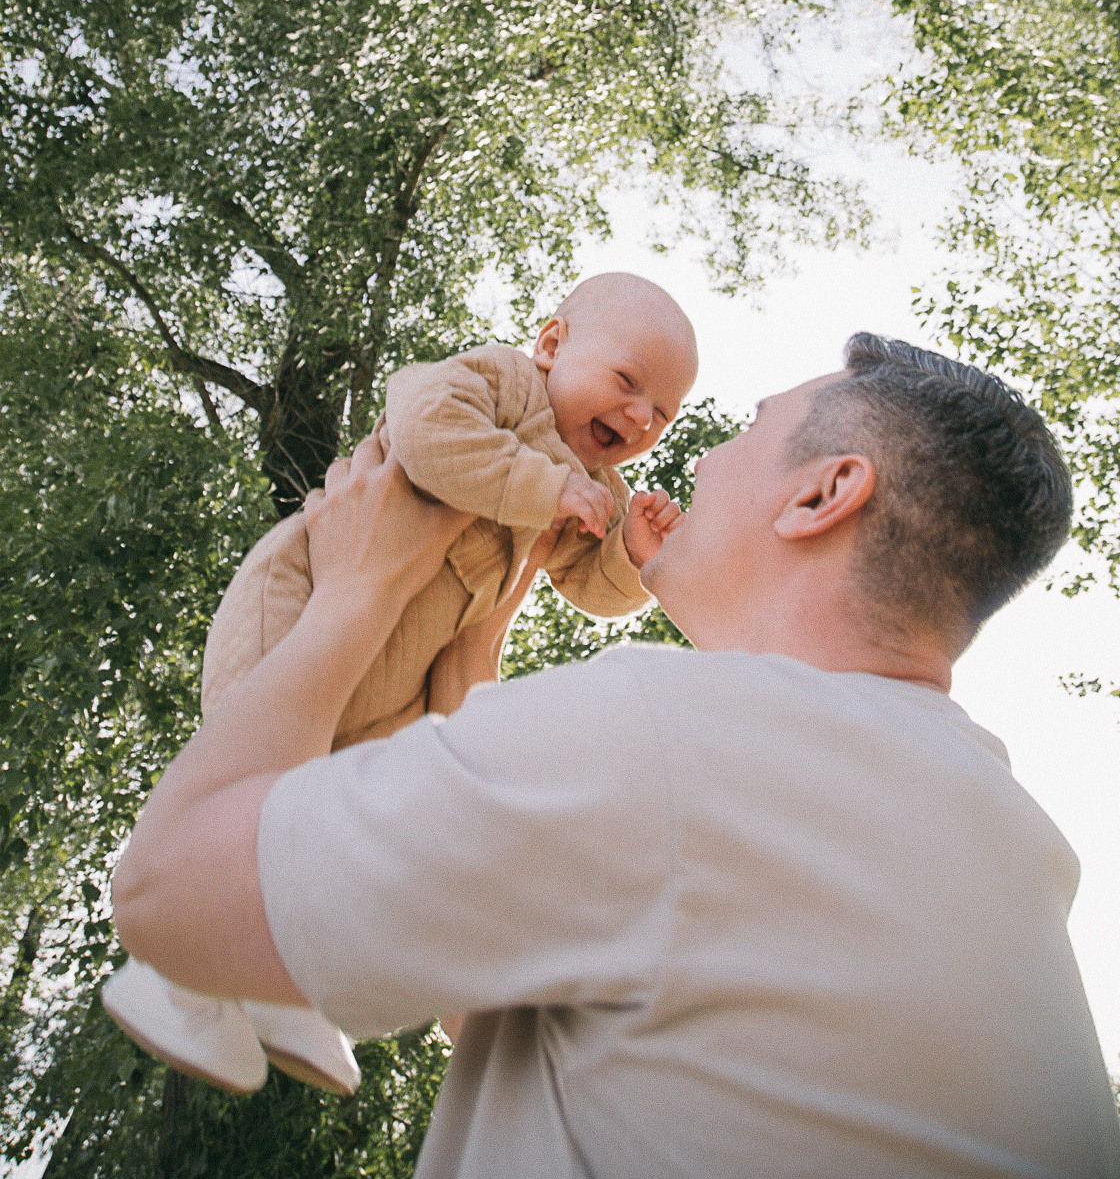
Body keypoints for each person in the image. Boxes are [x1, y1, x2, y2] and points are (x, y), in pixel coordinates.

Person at [110, 334, 1120, 1177]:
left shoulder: (665, 731)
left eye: (739, 430)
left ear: (822, 495)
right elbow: (487, 1005)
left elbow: (169, 896)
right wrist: (474, 640)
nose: (691, 458)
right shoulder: (1008, 843)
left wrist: (356, 595)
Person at [101, 272, 698, 1096]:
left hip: (401, 675)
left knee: (351, 820)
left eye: (662, 413)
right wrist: (541, 486)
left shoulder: (596, 490)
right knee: (265, 780)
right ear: (553, 346)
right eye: (629, 383)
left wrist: (631, 555)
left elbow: (588, 589)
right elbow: (425, 428)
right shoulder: (501, 382)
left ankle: (287, 982)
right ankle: (176, 973)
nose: (640, 418)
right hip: (311, 598)